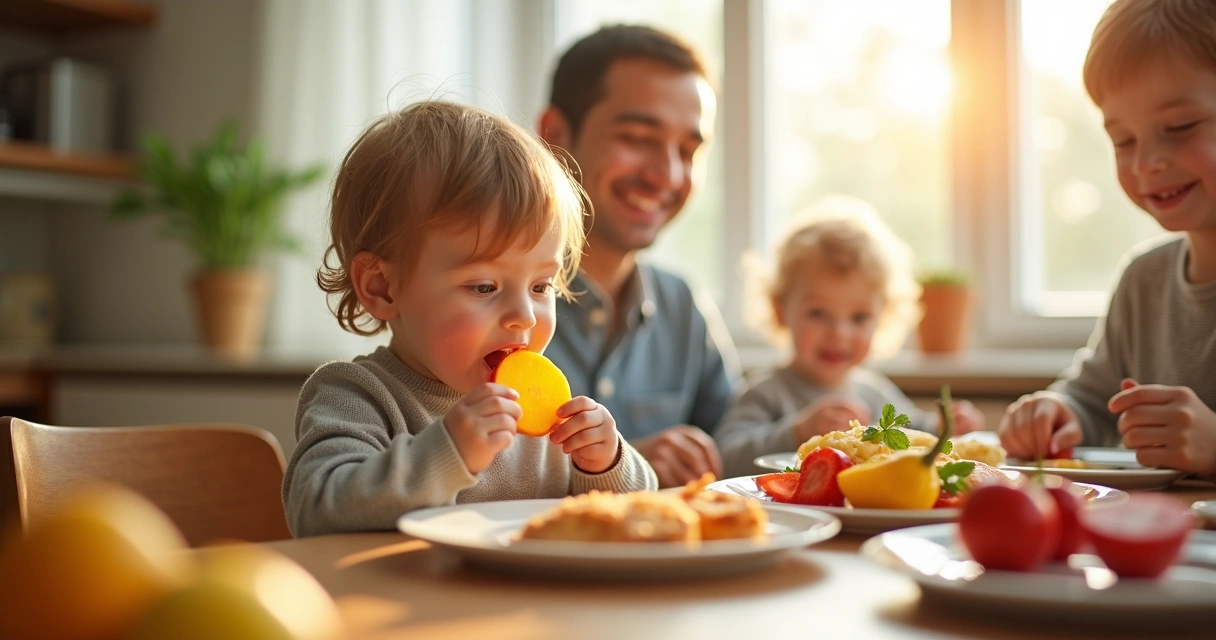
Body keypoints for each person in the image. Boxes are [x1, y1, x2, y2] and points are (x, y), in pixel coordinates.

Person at [282, 101, 657, 537]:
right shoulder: (357, 396)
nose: (522, 317)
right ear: (382, 288)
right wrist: (448, 452)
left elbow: (639, 513)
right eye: (484, 287)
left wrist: (607, 462)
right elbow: (317, 508)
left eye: (541, 287)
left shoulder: (546, 413)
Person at [998, 0, 1216, 476]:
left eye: (1179, 127)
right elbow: (1094, 400)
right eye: (1123, 141)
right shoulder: (1145, 280)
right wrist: (1058, 412)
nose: (1145, 164)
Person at [537, 25, 741, 487]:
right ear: (554, 133)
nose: (667, 174)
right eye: (637, 137)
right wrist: (620, 465)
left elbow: (735, 445)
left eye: (688, 150)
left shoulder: (682, 305)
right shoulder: (488, 307)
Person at [715, 198, 985, 478]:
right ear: (780, 310)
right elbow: (727, 458)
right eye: (818, 313)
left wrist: (946, 427)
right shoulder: (765, 393)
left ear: (883, 317)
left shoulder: (875, 393)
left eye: (859, 318)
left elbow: (917, 433)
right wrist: (797, 432)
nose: (839, 333)